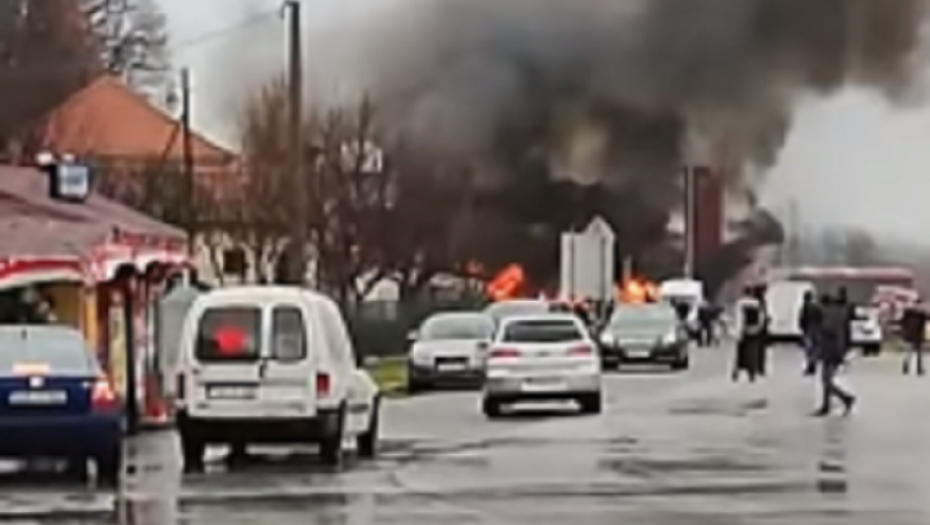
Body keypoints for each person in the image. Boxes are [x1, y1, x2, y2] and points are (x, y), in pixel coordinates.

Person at [815, 293, 856, 416]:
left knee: (826, 380)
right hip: (834, 352)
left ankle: (846, 398)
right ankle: (826, 406)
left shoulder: (831, 316)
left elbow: (830, 332)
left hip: (831, 353)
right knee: (826, 380)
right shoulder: (839, 314)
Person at [733, 286, 767, 382]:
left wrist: (738, 332)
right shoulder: (757, 303)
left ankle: (736, 372)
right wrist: (759, 327)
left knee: (741, 353)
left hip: (744, 330)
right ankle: (751, 372)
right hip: (754, 329)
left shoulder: (740, 303)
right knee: (752, 351)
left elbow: (739, 318)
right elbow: (762, 316)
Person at [900, 298, 927, 376]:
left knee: (919, 354)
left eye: (919, 305)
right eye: (917, 304)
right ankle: (906, 368)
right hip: (910, 335)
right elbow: (902, 322)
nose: (918, 306)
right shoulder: (908, 313)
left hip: (918, 335)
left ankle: (919, 369)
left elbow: (923, 324)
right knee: (908, 352)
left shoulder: (922, 314)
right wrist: (905, 331)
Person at [798, 291, 823, 376]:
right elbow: (821, 318)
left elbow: (802, 319)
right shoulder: (816, 307)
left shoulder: (805, 307)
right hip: (816, 330)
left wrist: (802, 329)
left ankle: (811, 366)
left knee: (809, 349)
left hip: (809, 330)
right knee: (814, 348)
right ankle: (812, 365)